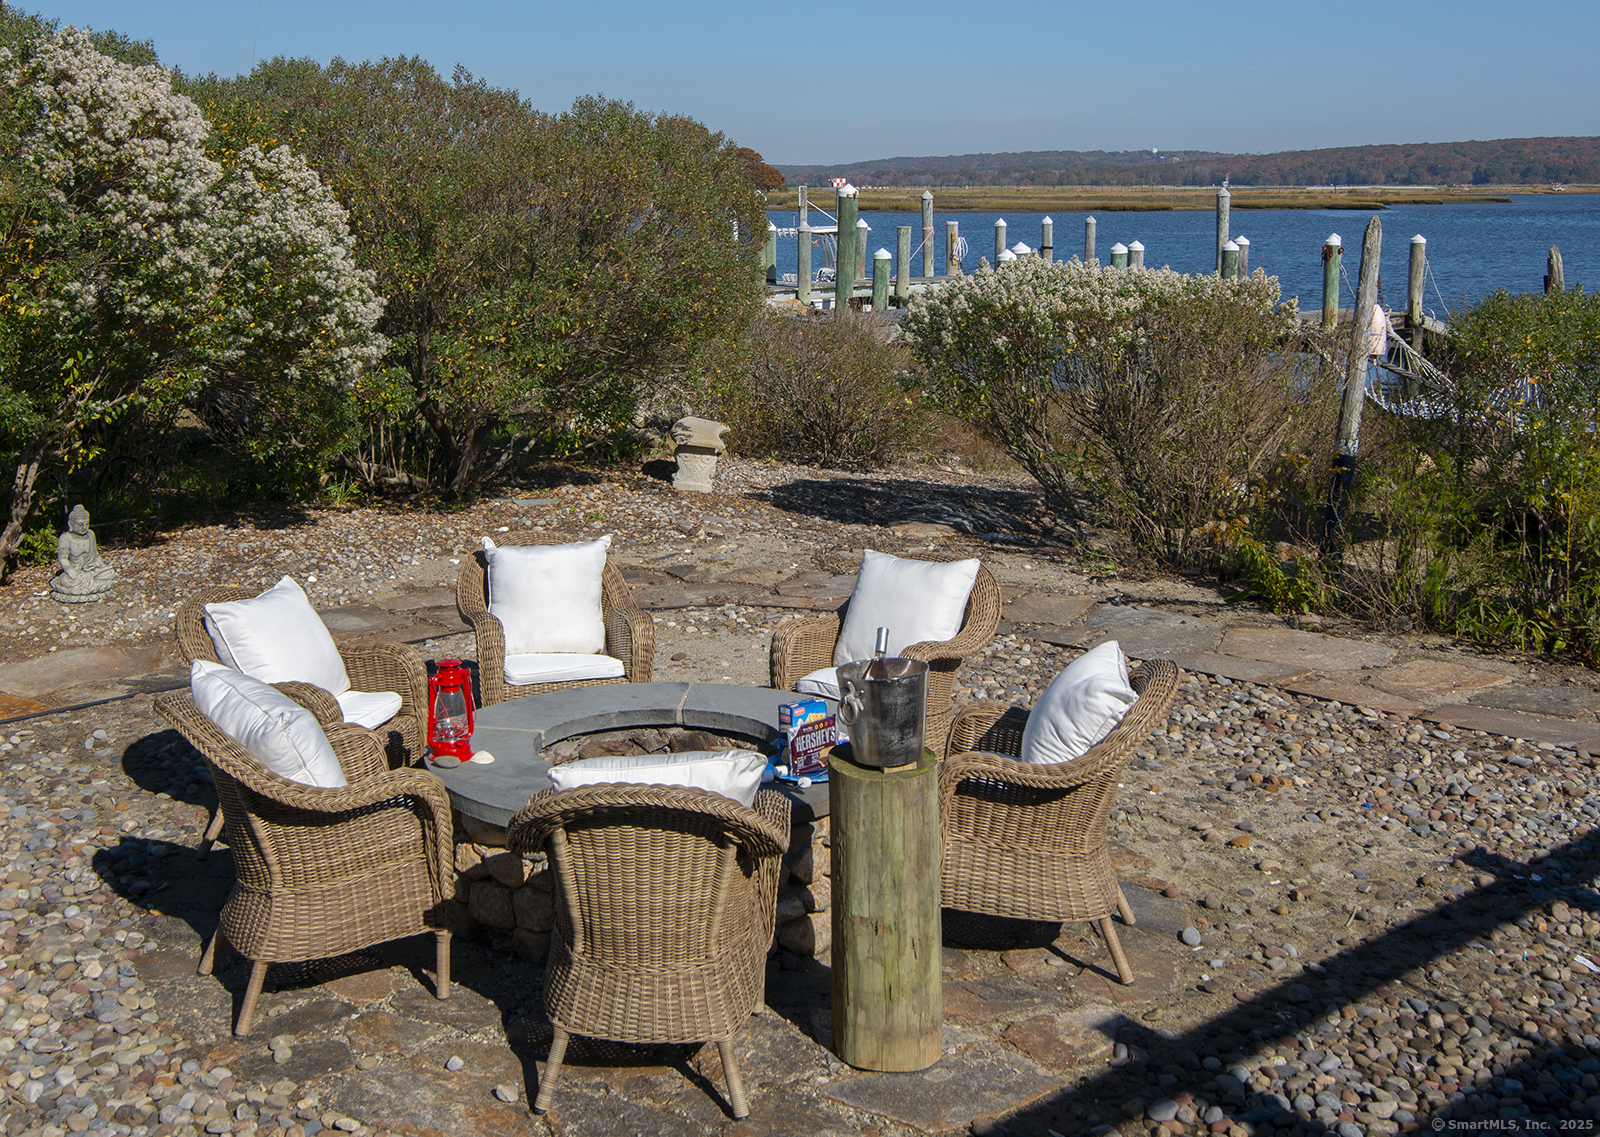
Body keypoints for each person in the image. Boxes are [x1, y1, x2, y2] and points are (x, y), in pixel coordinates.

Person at [51, 504, 117, 601]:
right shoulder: (66, 538)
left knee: (109, 573)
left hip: (91, 569)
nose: (84, 527)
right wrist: (70, 570)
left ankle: (90, 585)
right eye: (80, 524)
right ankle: (94, 587)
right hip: (76, 573)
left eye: (86, 524)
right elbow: (62, 558)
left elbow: (95, 555)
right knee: (66, 580)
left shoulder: (90, 534)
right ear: (71, 524)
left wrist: (102, 565)